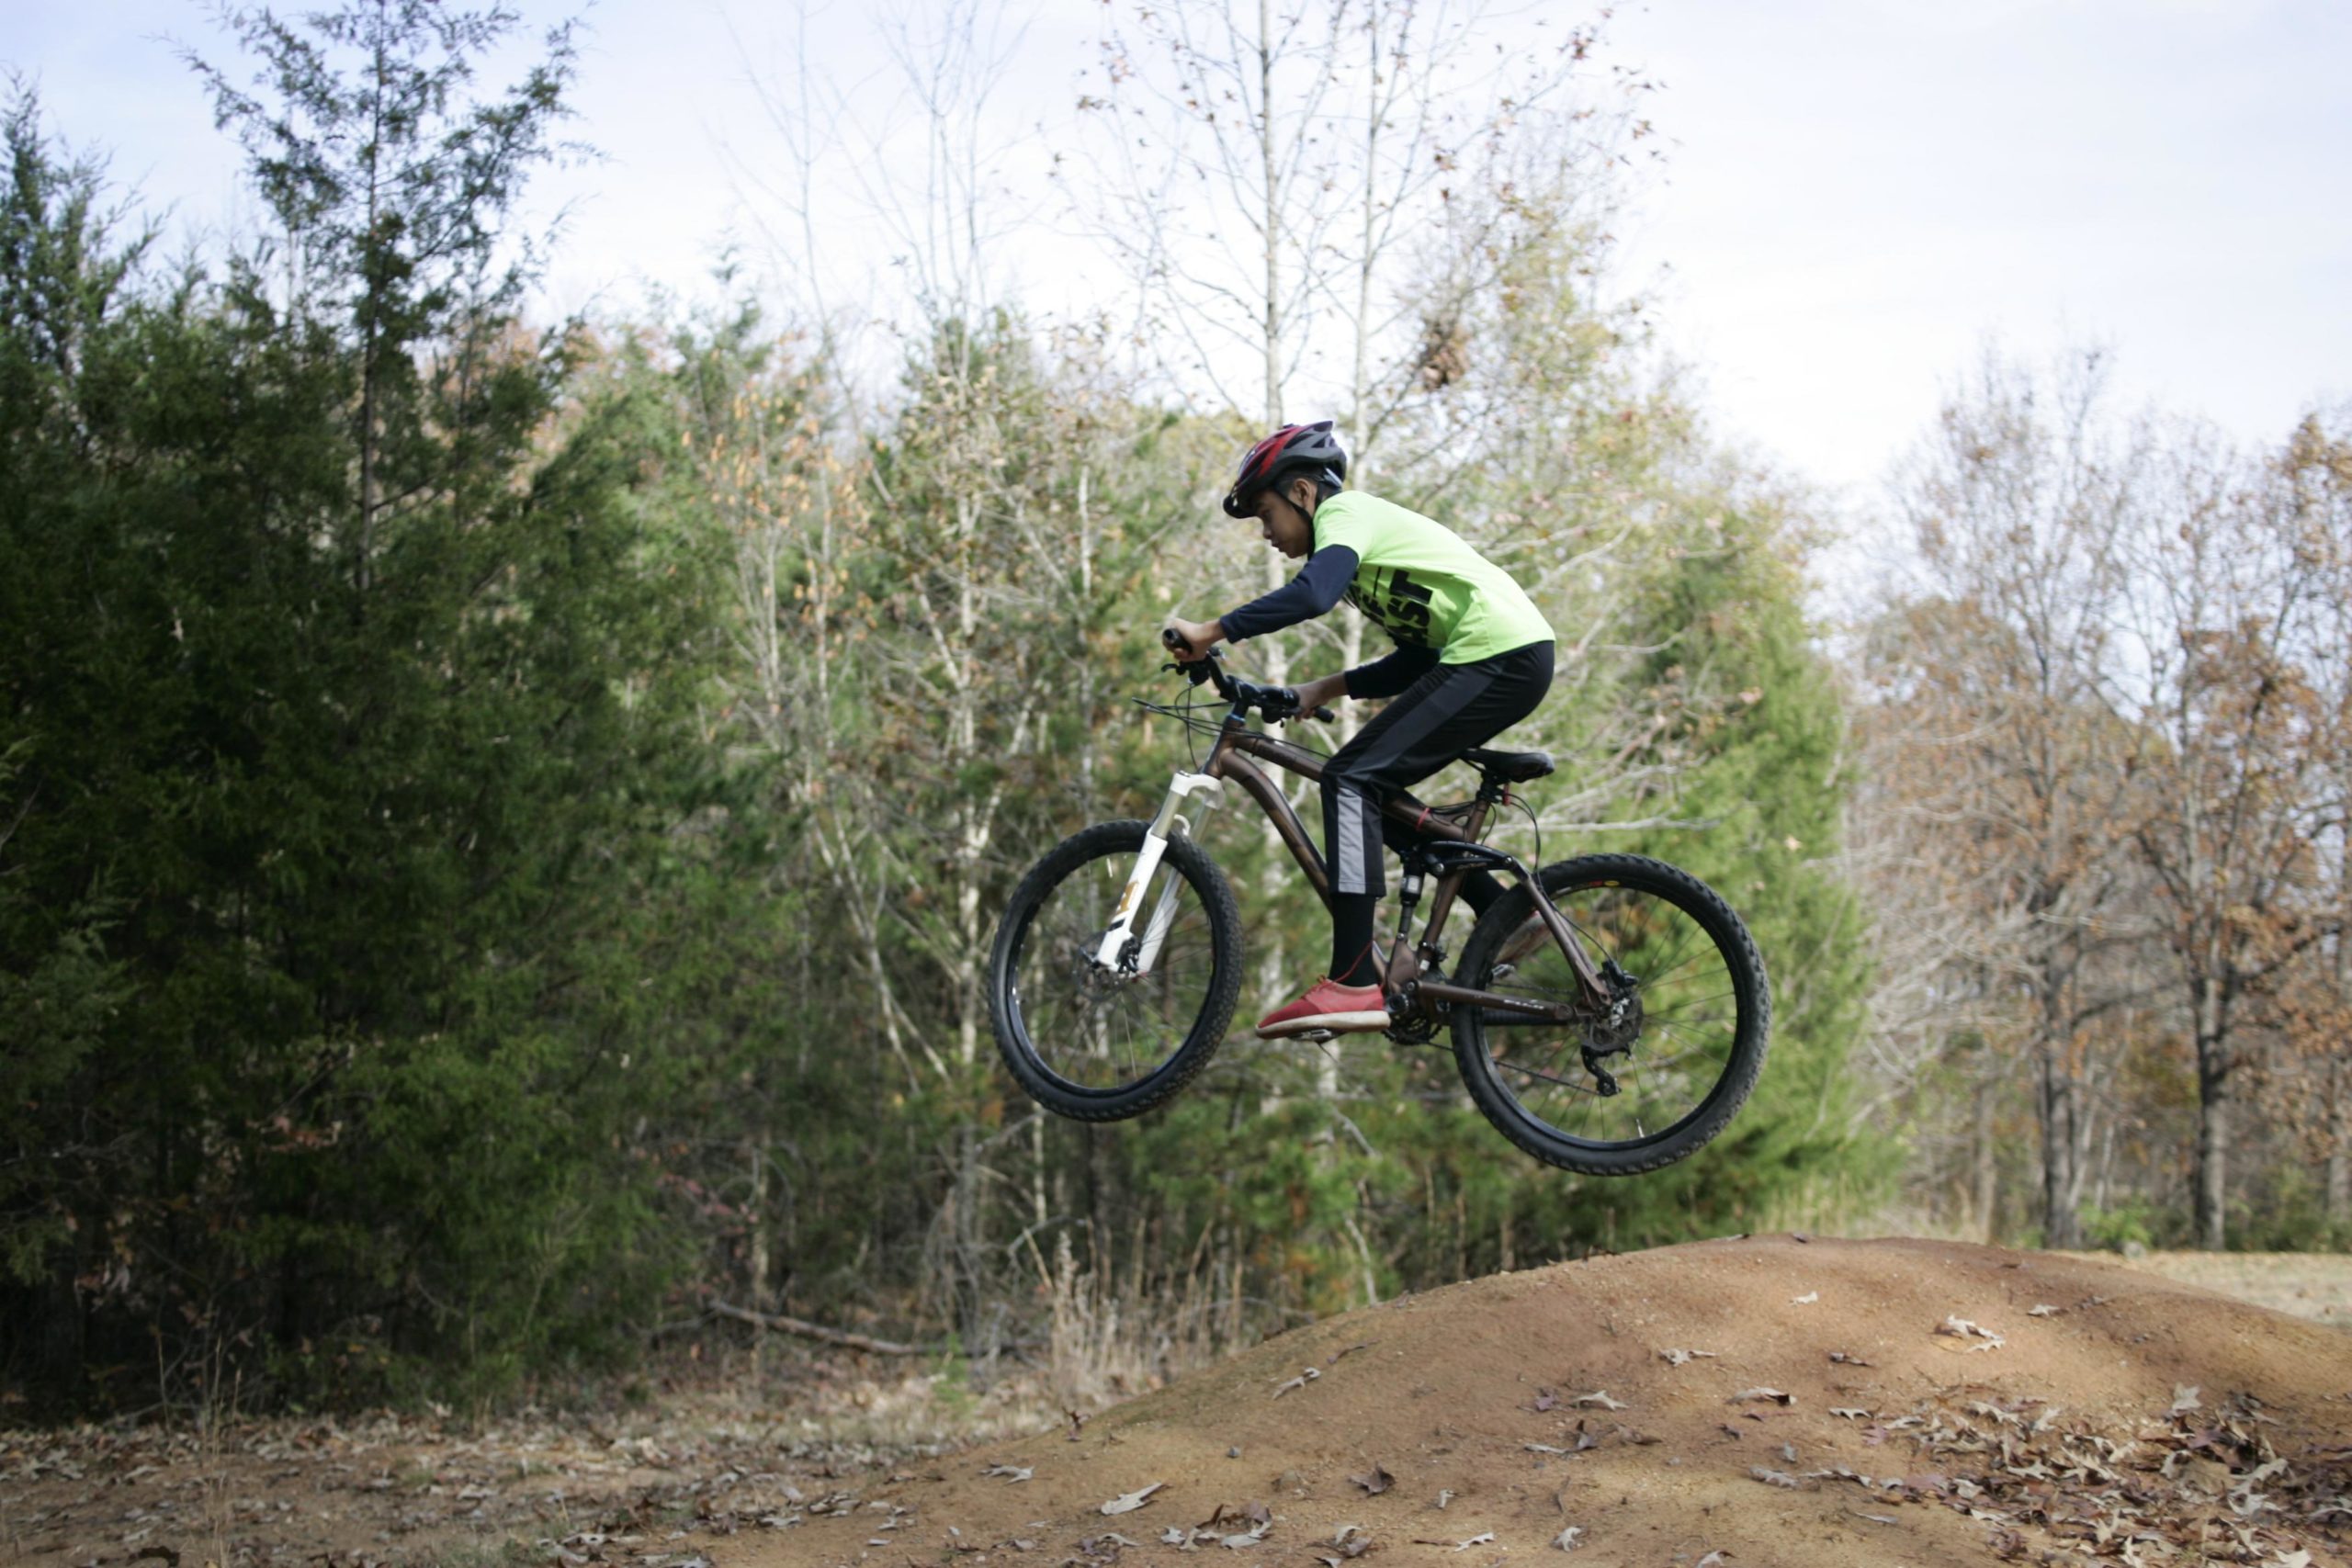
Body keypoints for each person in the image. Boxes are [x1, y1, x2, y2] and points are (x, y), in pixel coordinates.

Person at [1164, 420, 1557, 1039]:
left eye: (1266, 514)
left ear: (1301, 492)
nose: (1266, 533)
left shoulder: (1343, 515)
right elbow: (1417, 658)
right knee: (1372, 794)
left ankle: (1350, 980)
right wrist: (1324, 688)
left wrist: (1213, 631)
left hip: (1501, 653)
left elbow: (1312, 595)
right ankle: (1503, 913)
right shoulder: (1359, 553)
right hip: (1502, 656)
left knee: (1349, 778)